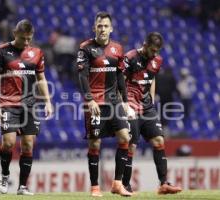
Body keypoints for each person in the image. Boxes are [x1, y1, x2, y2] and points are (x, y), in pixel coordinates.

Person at [0, 19, 53, 195]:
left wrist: (47, 101)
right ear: (14, 33)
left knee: (28, 145)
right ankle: (4, 174)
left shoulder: (37, 52)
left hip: (30, 105)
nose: (26, 42)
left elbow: (41, 79)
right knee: (9, 143)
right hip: (8, 103)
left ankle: (22, 186)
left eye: (29, 39)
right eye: (23, 38)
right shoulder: (1, 51)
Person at [77, 12, 132, 197]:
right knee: (95, 143)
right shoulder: (85, 48)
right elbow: (82, 75)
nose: (102, 29)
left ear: (111, 28)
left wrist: (125, 101)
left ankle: (117, 183)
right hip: (95, 103)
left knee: (125, 137)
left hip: (114, 102)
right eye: (99, 26)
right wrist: (89, 99)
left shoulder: (118, 49)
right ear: (95, 28)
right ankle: (94, 186)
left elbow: (119, 77)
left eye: (105, 26)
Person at [121, 32, 182, 194]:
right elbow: (118, 81)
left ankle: (163, 184)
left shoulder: (157, 61)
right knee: (131, 146)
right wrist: (124, 105)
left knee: (159, 140)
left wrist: (152, 99)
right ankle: (125, 185)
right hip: (130, 106)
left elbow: (151, 78)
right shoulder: (131, 58)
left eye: (157, 51)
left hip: (147, 107)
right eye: (153, 50)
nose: (155, 54)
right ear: (145, 45)